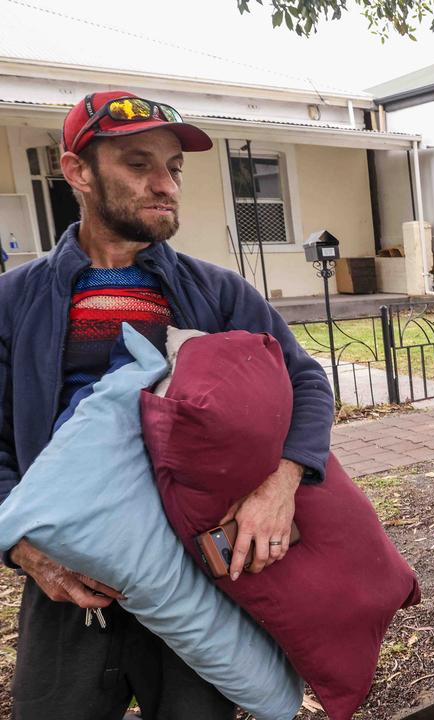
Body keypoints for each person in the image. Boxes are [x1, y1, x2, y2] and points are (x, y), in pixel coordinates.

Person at [0, 90, 334, 719]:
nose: (165, 185)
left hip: (195, 571)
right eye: (138, 164)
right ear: (78, 172)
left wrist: (281, 482)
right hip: (71, 584)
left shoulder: (218, 294)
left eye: (174, 169)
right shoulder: (15, 302)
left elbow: (306, 383)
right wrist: (23, 547)